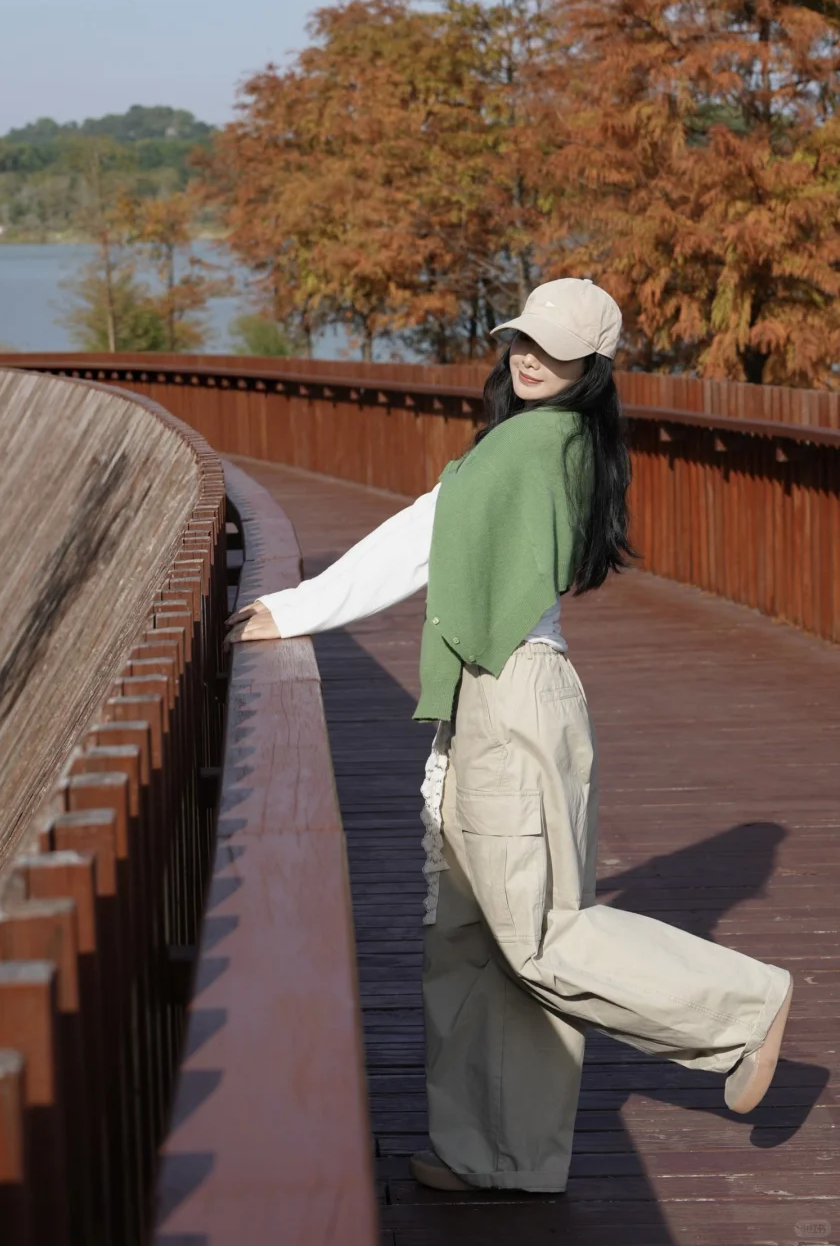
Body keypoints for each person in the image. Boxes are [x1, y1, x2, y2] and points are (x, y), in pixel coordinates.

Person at [224, 277, 793, 1194]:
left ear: (592, 369)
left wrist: (290, 611)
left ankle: (740, 1009)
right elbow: (434, 529)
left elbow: (421, 537)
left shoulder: (530, 446)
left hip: (512, 696)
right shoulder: (556, 440)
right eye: (523, 340)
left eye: (555, 350)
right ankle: (499, 1155)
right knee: (471, 939)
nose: (530, 357)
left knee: (530, 935)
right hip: (503, 693)